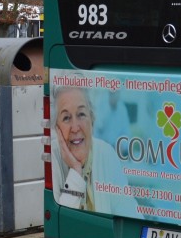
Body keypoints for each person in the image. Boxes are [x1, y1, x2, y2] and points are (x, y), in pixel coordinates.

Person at [52, 85, 137, 216]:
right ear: (57, 128)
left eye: (81, 114)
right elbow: (60, 222)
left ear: (92, 119)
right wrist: (76, 171)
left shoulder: (106, 154)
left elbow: (130, 213)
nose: (75, 128)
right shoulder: (52, 158)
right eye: (66, 118)